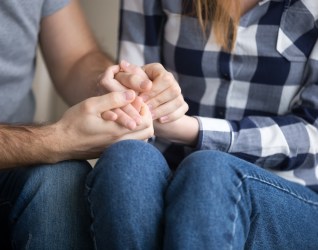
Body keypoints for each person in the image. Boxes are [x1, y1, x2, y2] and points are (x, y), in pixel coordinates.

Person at [85, 0, 318, 249]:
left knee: (210, 171)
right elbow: (133, 83)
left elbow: (313, 133)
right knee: (125, 159)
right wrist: (130, 93)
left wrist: (190, 129)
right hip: (171, 170)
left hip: (290, 191)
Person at [0, 0, 189, 248]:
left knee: (61, 179)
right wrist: (52, 140)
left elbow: (76, 58)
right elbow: (52, 142)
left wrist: (115, 86)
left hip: (3, 175)